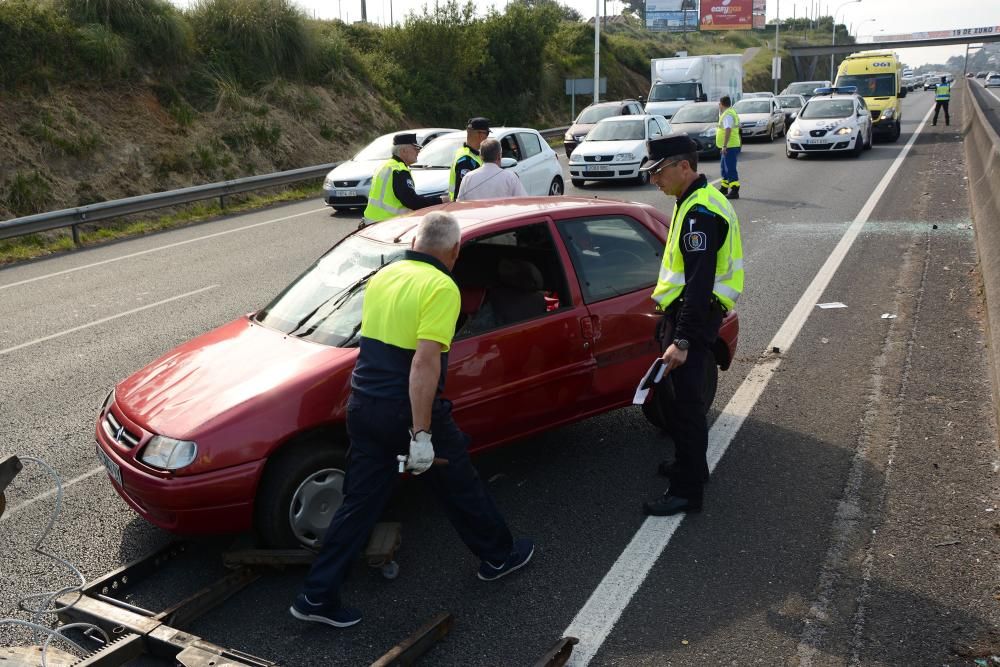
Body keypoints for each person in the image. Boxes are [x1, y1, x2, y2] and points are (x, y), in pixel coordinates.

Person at [290, 211, 534, 628]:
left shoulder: (385, 276)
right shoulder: (441, 286)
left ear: (418, 242)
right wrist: (421, 433)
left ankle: (316, 596)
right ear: (454, 251)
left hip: (364, 403)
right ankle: (499, 555)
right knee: (459, 482)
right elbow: (423, 363)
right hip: (408, 410)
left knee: (359, 503)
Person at [638, 135, 744, 517]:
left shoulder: (700, 212)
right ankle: (691, 467)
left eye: (659, 171)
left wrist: (681, 338)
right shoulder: (694, 201)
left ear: (684, 166)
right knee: (682, 403)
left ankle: (686, 492)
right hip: (690, 314)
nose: (654, 180)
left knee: (686, 408)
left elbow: (698, 282)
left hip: (693, 316)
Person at [362, 133, 444, 227]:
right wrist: (440, 201)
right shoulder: (399, 170)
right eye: (415, 148)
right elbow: (412, 201)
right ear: (404, 151)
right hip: (388, 225)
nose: (418, 151)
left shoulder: (386, 165)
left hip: (373, 223)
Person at [456, 138, 527, 201]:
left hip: (475, 216)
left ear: (481, 157)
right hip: (504, 215)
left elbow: (460, 204)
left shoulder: (468, 178)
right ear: (499, 156)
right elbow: (523, 201)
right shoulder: (510, 177)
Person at [449, 117, 490, 200]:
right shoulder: (466, 160)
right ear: (480, 135)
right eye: (487, 133)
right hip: (466, 209)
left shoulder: (463, 152)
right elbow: (462, 193)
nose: (487, 137)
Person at [716, 96, 742, 200]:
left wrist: (725, 145)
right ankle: (724, 188)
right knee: (724, 168)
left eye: (719, 104)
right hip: (729, 146)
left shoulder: (727, 115)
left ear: (721, 104)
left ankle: (735, 190)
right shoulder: (730, 112)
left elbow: (728, 130)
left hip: (729, 146)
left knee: (730, 168)